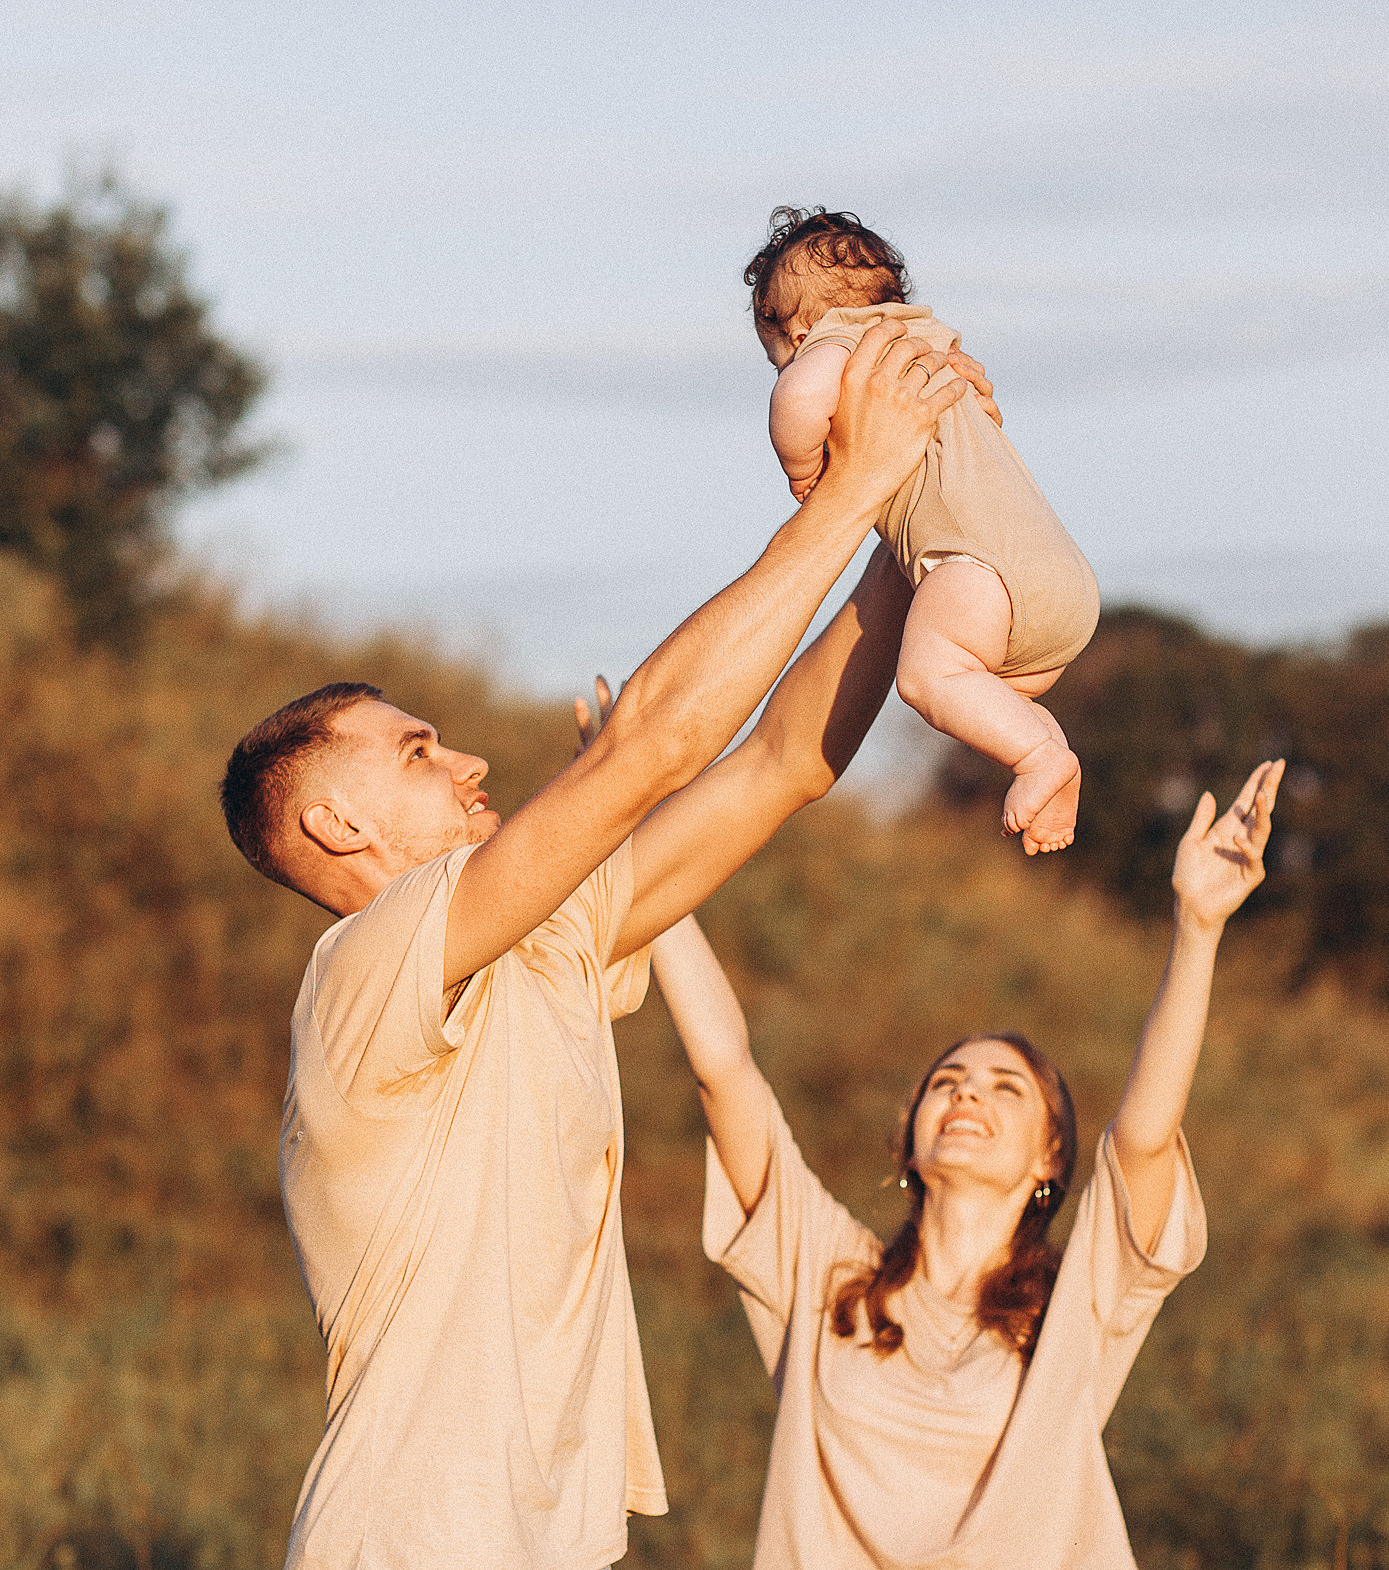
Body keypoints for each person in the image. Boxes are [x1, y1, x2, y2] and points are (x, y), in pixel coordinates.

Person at [217, 322, 998, 1570]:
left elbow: (783, 763)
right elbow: (651, 744)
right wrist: (850, 487)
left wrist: (906, 520)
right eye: (417, 750)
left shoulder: (545, 948)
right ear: (333, 822)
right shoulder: (366, 966)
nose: (467, 757)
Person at [651, 758, 1285, 1568]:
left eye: (1005, 1088)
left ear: (1051, 1151)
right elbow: (724, 1069)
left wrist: (1198, 927)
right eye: (946, 1082)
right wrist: (643, 824)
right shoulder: (825, 1275)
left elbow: (1146, 1136)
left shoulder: (1076, 1302)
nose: (967, 1097)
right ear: (910, 1137)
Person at [745, 206, 1103, 858]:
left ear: (796, 334)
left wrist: (802, 471)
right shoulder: (935, 343)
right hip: (1060, 580)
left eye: (778, 359)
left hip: (978, 571)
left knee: (928, 677)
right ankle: (1048, 746)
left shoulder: (840, 345)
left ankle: (1040, 760)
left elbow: (798, 402)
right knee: (982, 692)